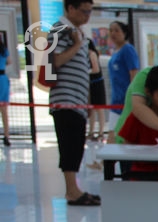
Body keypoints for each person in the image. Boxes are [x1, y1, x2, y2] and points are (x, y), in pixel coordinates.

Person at [50, 0, 99, 206]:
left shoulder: (77, 32)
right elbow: (55, 61)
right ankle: (71, 190)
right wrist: (77, 44)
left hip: (78, 101)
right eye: (84, 11)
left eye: (90, 12)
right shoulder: (60, 30)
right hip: (65, 100)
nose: (87, 16)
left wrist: (87, 102)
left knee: (77, 145)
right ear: (70, 8)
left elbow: (83, 71)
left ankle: (74, 189)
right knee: (69, 145)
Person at [106, 21, 139, 141]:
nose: (113, 33)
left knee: (119, 137)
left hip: (126, 101)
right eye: (111, 30)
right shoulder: (115, 51)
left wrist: (132, 98)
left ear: (124, 33)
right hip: (116, 100)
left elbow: (134, 74)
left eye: (116, 30)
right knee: (112, 136)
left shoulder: (128, 50)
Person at [86, 40, 105, 140]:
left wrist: (86, 71)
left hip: (97, 83)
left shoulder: (92, 54)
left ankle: (101, 132)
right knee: (92, 108)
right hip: (91, 83)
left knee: (99, 108)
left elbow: (96, 69)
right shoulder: (86, 55)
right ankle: (91, 131)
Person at [0, 31, 11, 146]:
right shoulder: (4, 50)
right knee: (4, 111)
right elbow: (9, 62)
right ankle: (6, 136)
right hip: (3, 79)